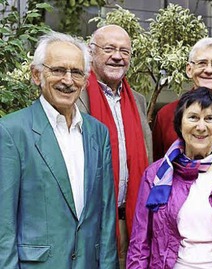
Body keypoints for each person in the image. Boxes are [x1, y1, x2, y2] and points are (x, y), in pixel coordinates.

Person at [0, 31, 117, 268]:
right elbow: (4, 224)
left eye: (76, 72)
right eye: (57, 70)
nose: (67, 80)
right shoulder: (11, 131)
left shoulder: (98, 133)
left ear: (86, 80)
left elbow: (106, 218)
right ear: (36, 74)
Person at [127, 87, 212, 268]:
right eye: (193, 117)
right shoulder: (156, 175)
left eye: (209, 118)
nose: (201, 127)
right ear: (180, 123)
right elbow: (140, 242)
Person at [76, 25, 152, 263]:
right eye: (109, 49)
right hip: (88, 223)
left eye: (124, 51)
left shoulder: (138, 100)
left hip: (131, 223)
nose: (117, 56)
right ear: (91, 52)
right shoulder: (75, 96)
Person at [153, 37, 212, 161]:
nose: (209, 70)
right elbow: (158, 166)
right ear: (189, 69)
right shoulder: (166, 115)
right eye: (202, 63)